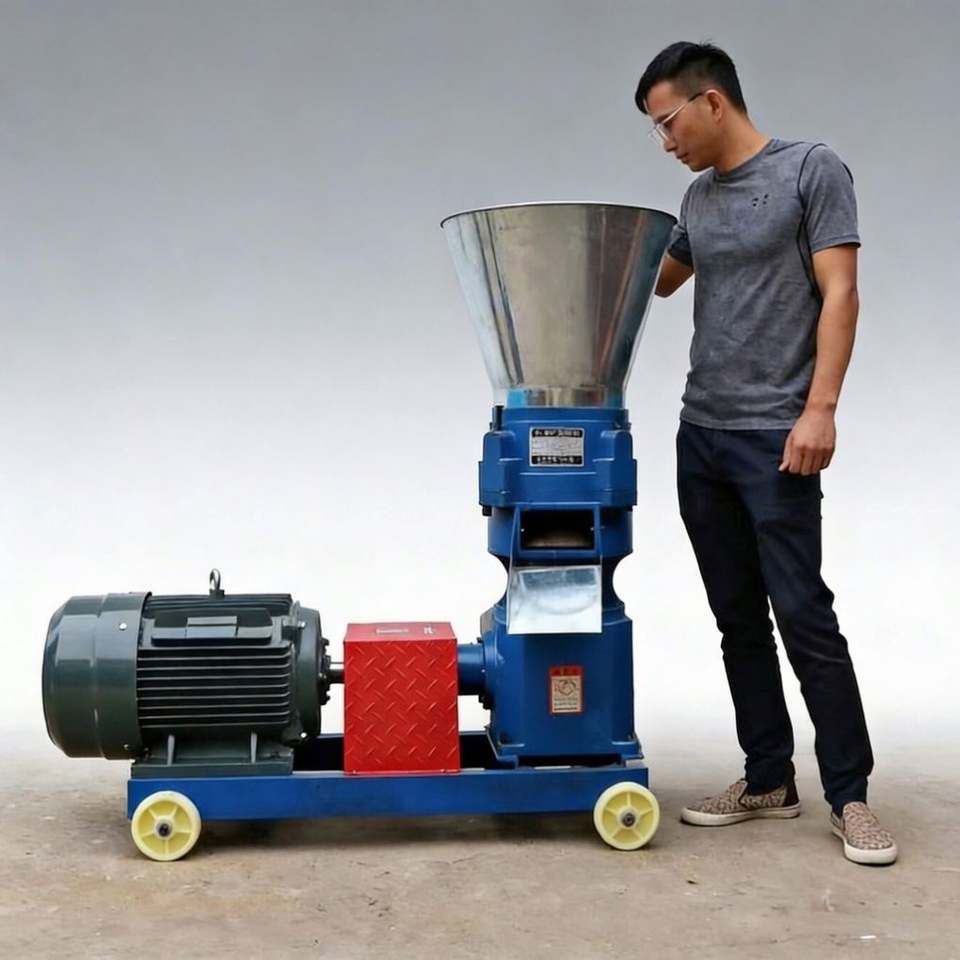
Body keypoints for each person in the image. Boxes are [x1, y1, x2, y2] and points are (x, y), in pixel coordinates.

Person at [636, 41, 897, 865]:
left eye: (667, 122)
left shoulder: (810, 171)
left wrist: (820, 410)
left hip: (776, 435)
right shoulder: (697, 197)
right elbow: (657, 278)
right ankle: (768, 778)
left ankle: (851, 797)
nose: (664, 141)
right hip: (702, 435)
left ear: (712, 101)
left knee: (804, 615)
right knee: (738, 619)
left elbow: (842, 293)